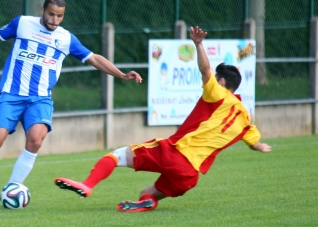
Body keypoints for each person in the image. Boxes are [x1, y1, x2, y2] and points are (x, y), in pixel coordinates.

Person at [54, 26, 271, 213]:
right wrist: (262, 147)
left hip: (175, 154)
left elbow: (204, 69)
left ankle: (88, 185)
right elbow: (255, 144)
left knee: (117, 156)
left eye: (216, 78)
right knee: (147, 192)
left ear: (222, 82)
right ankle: (148, 202)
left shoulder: (219, 94)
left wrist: (198, 44)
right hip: (190, 176)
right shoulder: (245, 119)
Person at [0, 0, 142, 191]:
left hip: (40, 99)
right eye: (51, 14)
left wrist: (121, 75)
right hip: (11, 95)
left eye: (59, 16)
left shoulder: (66, 39)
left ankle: (13, 187)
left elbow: (94, 58)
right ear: (42, 10)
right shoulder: (23, 24)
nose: (54, 20)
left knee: (35, 139)